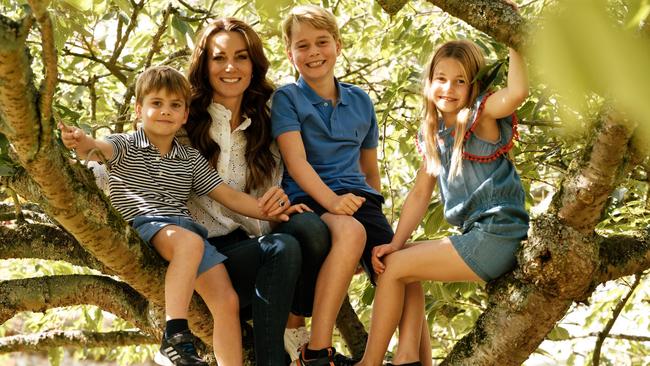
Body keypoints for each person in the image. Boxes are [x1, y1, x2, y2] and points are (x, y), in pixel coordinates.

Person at [59, 65, 306, 366]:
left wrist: (271, 211)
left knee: (226, 301)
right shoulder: (124, 144)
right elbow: (95, 149)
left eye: (175, 105)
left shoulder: (189, 158)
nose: (165, 111)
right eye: (156, 104)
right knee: (191, 242)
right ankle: (173, 337)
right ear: (139, 109)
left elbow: (227, 195)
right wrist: (81, 141)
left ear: (185, 115)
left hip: (187, 235)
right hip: (149, 224)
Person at [355, 39, 529, 366]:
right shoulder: (433, 134)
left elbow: (517, 93)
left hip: (497, 236)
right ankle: (413, 358)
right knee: (402, 259)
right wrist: (396, 242)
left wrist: (513, 38)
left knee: (394, 269)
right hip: (475, 236)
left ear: (473, 85)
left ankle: (371, 362)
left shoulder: (480, 115)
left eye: (460, 80)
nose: (448, 88)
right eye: (441, 78)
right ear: (429, 82)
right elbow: (420, 195)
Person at [271, 5, 426, 365]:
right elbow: (296, 161)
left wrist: (377, 225)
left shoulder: (360, 100)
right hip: (309, 199)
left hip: (360, 202)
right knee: (350, 233)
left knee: (404, 263)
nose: (313, 53)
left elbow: (369, 170)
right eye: (303, 45)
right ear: (289, 52)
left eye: (322, 42)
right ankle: (316, 351)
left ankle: (411, 358)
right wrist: (333, 202)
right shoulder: (287, 99)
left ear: (338, 46)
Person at [183, 18, 332, 366]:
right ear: (204, 65)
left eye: (242, 56)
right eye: (219, 58)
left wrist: (284, 199)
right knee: (282, 247)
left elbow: (312, 161)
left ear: (255, 64)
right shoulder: (184, 115)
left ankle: (296, 326)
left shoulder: (272, 110)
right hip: (211, 259)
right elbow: (136, 154)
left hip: (265, 251)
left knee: (309, 229)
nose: (231, 67)